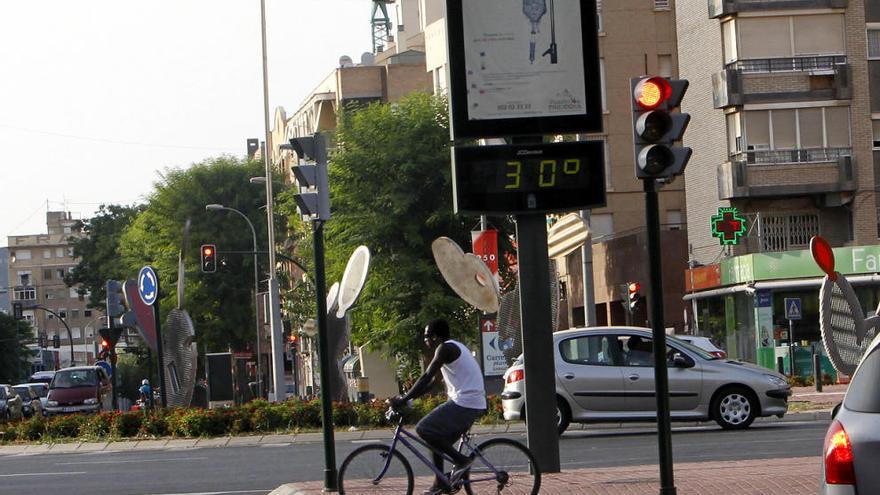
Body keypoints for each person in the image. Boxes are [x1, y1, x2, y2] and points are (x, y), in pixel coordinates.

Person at [390, 319, 487, 495]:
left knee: (423, 429)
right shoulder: (451, 348)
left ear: (435, 337)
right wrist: (410, 398)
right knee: (436, 441)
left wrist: (403, 399)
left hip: (466, 403)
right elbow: (433, 383)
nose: (425, 340)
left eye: (427, 336)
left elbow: (426, 376)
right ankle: (441, 482)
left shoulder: (444, 349)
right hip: (468, 402)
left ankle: (462, 461)